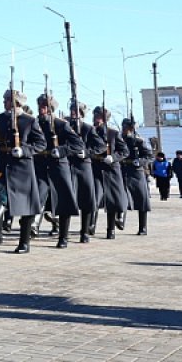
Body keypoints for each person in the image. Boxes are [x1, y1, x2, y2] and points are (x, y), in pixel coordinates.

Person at [0, 90, 46, 253]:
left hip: (23, 167)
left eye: (7, 99)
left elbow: (41, 143)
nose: (4, 102)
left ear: (16, 102)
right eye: (4, 99)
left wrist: (24, 150)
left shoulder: (29, 121)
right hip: (3, 164)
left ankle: (24, 242)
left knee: (27, 206)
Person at [35, 93, 83, 249]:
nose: (41, 109)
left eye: (44, 106)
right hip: (40, 164)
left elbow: (78, 144)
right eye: (40, 105)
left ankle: (63, 236)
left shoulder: (61, 124)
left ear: (51, 109)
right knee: (36, 196)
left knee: (64, 201)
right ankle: (30, 229)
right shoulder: (35, 123)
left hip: (59, 164)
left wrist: (62, 150)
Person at [67, 101, 106, 243]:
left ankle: (85, 232)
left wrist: (87, 153)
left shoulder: (88, 128)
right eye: (72, 110)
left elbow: (101, 146)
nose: (73, 113)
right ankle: (62, 232)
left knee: (87, 200)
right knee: (67, 199)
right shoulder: (66, 126)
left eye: (76, 111)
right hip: (69, 165)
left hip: (84, 166)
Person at [91, 107, 128, 239]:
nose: (97, 119)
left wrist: (113, 157)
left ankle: (110, 229)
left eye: (100, 117)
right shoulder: (90, 131)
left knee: (112, 201)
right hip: (96, 168)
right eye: (96, 116)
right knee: (94, 198)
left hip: (111, 169)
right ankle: (90, 225)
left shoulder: (113, 133)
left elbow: (124, 151)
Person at [119, 118, 154, 235]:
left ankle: (143, 227)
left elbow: (149, 155)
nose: (125, 129)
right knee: (121, 196)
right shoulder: (119, 139)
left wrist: (140, 161)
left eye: (127, 127)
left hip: (136, 172)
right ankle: (120, 219)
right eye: (123, 127)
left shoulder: (139, 140)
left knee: (141, 198)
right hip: (123, 170)